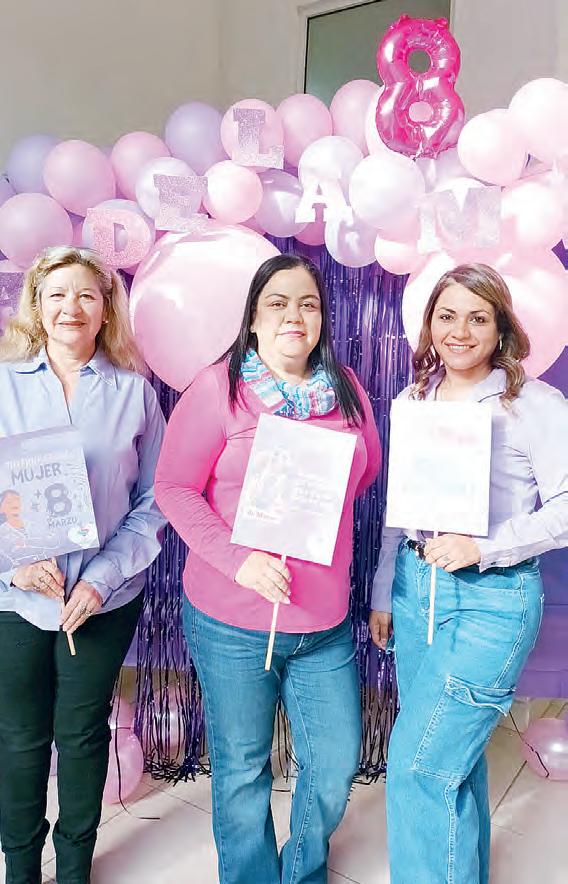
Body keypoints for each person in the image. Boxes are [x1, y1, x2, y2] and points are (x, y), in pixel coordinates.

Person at [155, 253, 381, 884]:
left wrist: (311, 526)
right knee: (243, 767)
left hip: (323, 623)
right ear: (253, 318)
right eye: (277, 303)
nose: (293, 315)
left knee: (333, 762)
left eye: (307, 303)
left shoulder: (346, 388)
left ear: (322, 319)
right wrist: (241, 560)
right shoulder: (217, 389)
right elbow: (173, 487)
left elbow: (364, 473)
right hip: (232, 621)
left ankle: (302, 870)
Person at [369, 263, 568, 884]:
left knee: (419, 767)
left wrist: (486, 547)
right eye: (446, 315)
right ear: (429, 324)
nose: (459, 331)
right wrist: (383, 590)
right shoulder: (414, 400)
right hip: (415, 593)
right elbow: (400, 505)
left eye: (477, 318)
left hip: (494, 603)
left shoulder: (534, 405)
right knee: (450, 761)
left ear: (501, 327)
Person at [0, 246, 166, 884]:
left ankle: (73, 867)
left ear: (105, 309)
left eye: (87, 295)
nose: (72, 306)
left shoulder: (134, 394)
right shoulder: (4, 386)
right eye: (57, 294)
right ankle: (20, 867)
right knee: (19, 737)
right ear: (37, 306)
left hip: (102, 598)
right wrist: (12, 563)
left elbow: (155, 501)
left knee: (81, 733)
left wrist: (101, 579)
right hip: (17, 599)